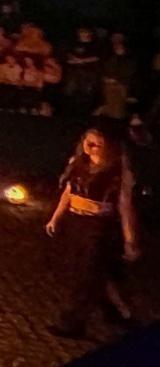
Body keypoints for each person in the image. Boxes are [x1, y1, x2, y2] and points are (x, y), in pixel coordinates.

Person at [45, 125, 140, 338]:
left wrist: (130, 239)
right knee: (87, 272)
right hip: (75, 222)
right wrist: (55, 218)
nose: (90, 147)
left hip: (98, 226)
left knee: (88, 274)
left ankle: (73, 323)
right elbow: (68, 194)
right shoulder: (77, 163)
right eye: (87, 141)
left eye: (96, 143)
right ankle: (118, 313)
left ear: (108, 146)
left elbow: (125, 205)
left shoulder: (117, 170)